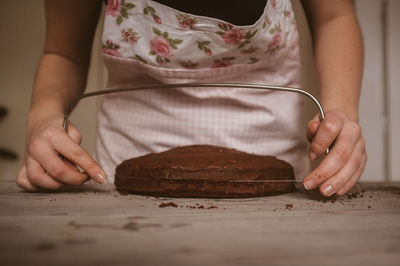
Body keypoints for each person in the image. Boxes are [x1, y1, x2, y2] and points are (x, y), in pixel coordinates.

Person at [16, 0, 366, 198]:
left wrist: (341, 112)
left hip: (271, 173)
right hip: (131, 173)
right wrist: (44, 115)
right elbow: (63, 52)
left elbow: (335, 17)